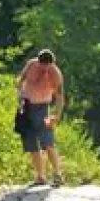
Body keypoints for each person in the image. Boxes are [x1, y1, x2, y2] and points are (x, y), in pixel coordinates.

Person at [17, 49, 65, 186]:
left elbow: (60, 98)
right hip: (26, 107)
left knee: (48, 143)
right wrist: (19, 96)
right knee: (31, 144)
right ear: (38, 60)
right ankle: (40, 177)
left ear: (52, 63)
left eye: (47, 65)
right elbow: (21, 80)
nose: (44, 67)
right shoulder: (32, 64)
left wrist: (56, 116)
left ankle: (57, 174)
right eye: (42, 64)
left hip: (42, 108)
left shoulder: (55, 74)